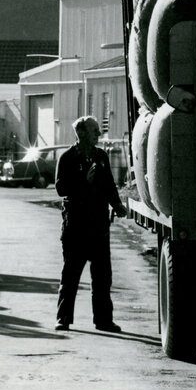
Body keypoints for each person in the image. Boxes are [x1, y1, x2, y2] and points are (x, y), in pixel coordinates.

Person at [54, 115, 128, 332]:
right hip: (76, 227)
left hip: (99, 226)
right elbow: (60, 189)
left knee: (103, 278)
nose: (98, 133)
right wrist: (83, 180)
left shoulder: (101, 156)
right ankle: (63, 318)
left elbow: (109, 185)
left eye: (98, 130)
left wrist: (117, 204)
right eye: (94, 130)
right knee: (70, 275)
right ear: (81, 133)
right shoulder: (67, 158)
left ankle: (103, 320)